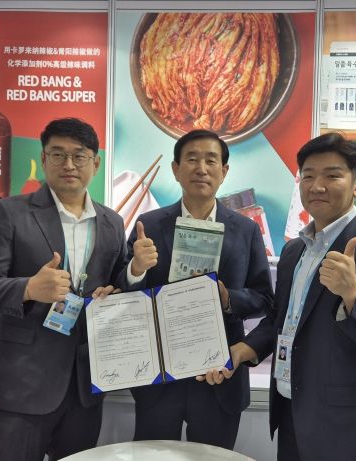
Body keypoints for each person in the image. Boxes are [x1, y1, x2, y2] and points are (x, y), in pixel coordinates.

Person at [211, 132, 356, 460]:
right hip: (291, 410)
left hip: (347, 424)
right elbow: (282, 319)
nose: (317, 186)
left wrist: (353, 293)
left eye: (332, 175)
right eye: (308, 176)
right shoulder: (294, 251)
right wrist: (243, 350)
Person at [0, 118, 127, 461]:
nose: (69, 164)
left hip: (85, 386)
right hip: (22, 382)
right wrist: (29, 288)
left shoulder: (112, 222)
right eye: (58, 154)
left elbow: (117, 285)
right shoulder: (10, 212)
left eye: (79, 156)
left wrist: (131, 278)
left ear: (95, 163)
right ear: (44, 158)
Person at [123, 129, 274, 449]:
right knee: (152, 456)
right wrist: (136, 269)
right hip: (159, 376)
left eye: (211, 160)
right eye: (192, 159)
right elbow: (121, 293)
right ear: (176, 169)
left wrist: (228, 299)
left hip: (219, 374)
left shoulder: (246, 229)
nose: (201, 168)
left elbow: (264, 299)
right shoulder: (148, 225)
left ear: (224, 171)